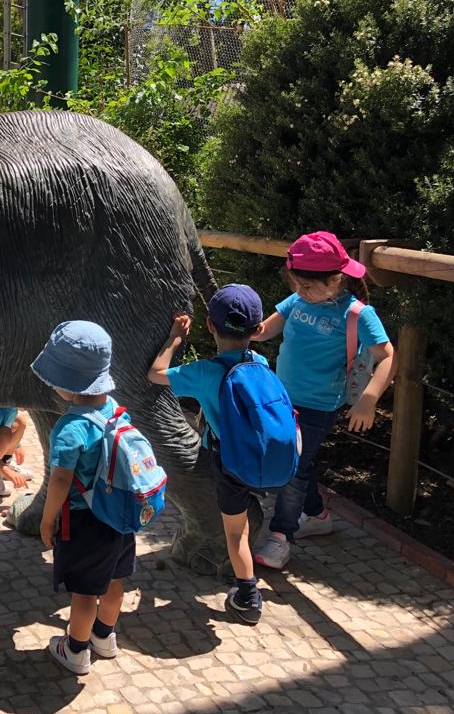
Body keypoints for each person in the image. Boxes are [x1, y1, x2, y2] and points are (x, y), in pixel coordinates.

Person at [252, 231, 395, 570]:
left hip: (319, 405)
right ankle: (317, 514)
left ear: (336, 279)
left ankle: (280, 536)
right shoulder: (298, 301)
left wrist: (369, 400)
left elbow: (388, 356)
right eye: (296, 285)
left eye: (309, 287)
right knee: (296, 465)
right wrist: (238, 327)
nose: (301, 293)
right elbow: (266, 329)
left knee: (293, 468)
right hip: (281, 397)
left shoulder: (357, 313)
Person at [147, 284, 267, 624]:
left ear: (210, 327)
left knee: (233, 532)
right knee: (241, 517)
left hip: (229, 465)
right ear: (258, 330)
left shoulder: (204, 373)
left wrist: (174, 338)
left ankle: (247, 597)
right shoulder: (260, 361)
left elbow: (155, 375)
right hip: (259, 457)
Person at [32, 321, 133, 675]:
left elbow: (60, 479)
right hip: (119, 513)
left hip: (86, 520)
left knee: (85, 593)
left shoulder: (70, 428)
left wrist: (47, 518)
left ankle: (75, 650)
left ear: (65, 382)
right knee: (116, 581)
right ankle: (105, 637)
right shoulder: (116, 410)